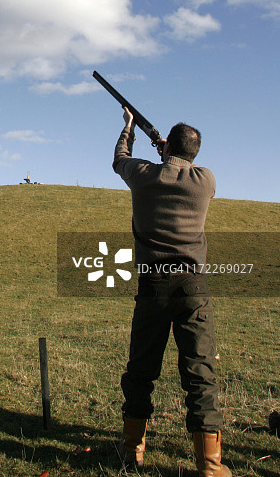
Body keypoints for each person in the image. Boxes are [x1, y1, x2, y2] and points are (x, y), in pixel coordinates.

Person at [113, 107, 231, 477]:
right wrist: (171, 153)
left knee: (141, 369)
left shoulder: (144, 176)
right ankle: (210, 466)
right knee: (200, 373)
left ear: (165, 149)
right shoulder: (205, 180)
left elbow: (120, 160)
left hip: (152, 286)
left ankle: (133, 451)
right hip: (193, 288)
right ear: (194, 152)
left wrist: (129, 129)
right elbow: (183, 165)